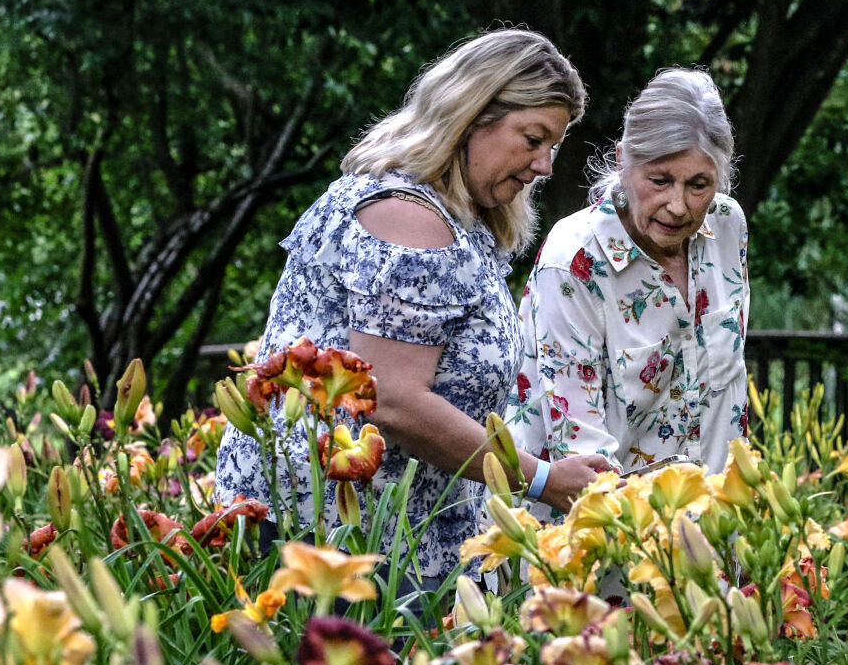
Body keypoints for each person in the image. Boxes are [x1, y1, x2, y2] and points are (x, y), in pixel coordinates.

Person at [214, 29, 615, 590]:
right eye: (533, 138)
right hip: (335, 545)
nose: (544, 165)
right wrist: (541, 478)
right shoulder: (409, 220)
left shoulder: (448, 215)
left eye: (553, 145)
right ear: (473, 114)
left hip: (385, 537)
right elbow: (394, 401)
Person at [507, 67, 749, 487]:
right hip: (600, 525)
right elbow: (581, 452)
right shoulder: (574, 261)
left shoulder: (726, 224)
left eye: (698, 184)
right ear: (623, 161)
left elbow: (727, 400)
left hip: (710, 522)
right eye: (660, 180)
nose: (678, 205)